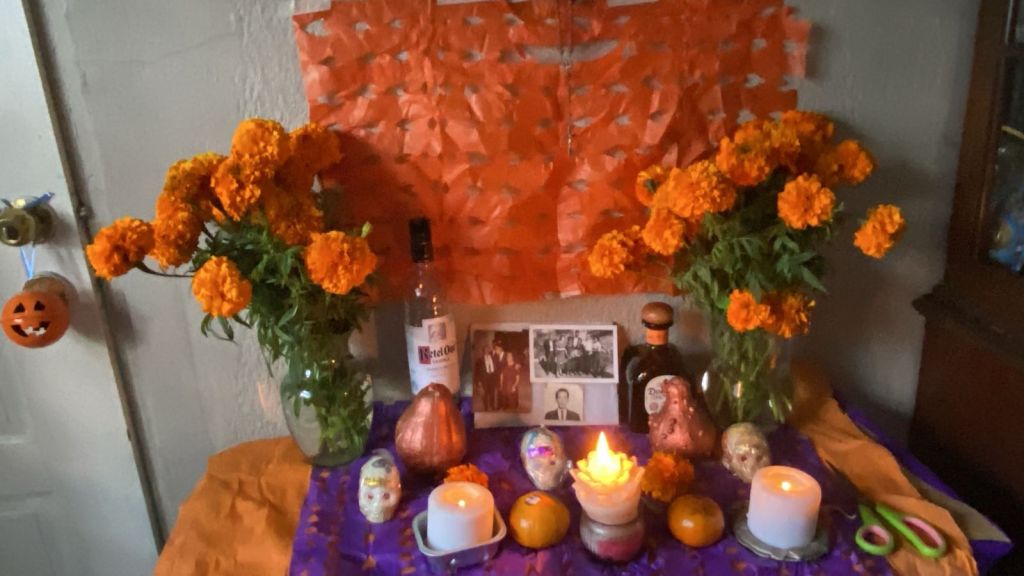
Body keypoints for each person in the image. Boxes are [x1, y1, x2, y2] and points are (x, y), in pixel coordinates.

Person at [475, 343, 501, 411]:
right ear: (483, 351)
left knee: (492, 393)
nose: (487, 351)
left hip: (492, 378)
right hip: (484, 379)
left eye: (488, 349)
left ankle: (492, 406)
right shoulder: (479, 360)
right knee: (485, 394)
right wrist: (478, 382)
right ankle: (486, 407)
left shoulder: (493, 358)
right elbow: (477, 372)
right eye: (485, 349)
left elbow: (498, 367)